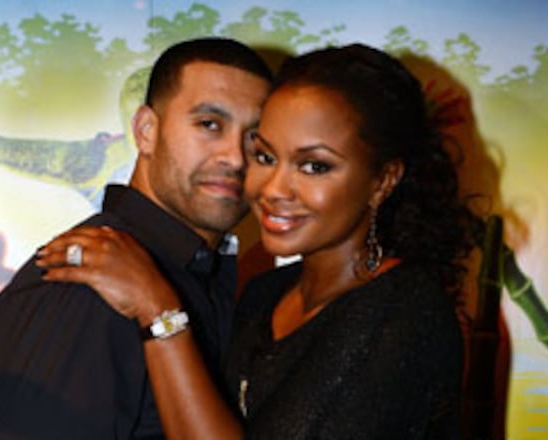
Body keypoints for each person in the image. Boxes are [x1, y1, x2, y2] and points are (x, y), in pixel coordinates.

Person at [37, 43, 473, 439]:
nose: (273, 188)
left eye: (314, 166)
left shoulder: (402, 313)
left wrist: (159, 311)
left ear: (382, 180)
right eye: (265, 156)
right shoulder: (264, 296)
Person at [0, 37, 272, 439]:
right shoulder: (82, 281)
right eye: (209, 125)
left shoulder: (192, 275)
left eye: (255, 138)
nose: (235, 157)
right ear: (145, 130)